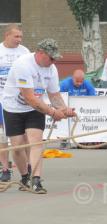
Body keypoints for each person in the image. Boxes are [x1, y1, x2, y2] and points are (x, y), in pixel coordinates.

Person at [2, 38, 76, 193]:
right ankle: (24, 176)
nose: (54, 61)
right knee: (17, 147)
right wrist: (52, 112)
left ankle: (36, 179)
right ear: (40, 53)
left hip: (35, 109)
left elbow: (54, 94)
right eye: (51, 57)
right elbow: (29, 98)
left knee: (36, 142)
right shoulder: (23, 65)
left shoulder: (51, 68)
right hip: (13, 108)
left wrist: (65, 109)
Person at [0, 24, 30, 182]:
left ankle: (28, 165)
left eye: (21, 37)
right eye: (16, 36)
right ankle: (5, 168)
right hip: (1, 99)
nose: (19, 40)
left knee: (24, 135)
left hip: (20, 99)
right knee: (2, 136)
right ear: (7, 35)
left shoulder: (24, 52)